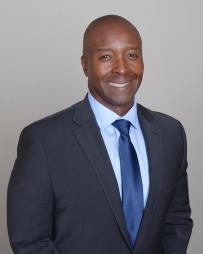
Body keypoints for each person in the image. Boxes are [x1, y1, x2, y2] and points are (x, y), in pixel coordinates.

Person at [7, 15, 193, 254]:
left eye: (132, 55)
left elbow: (177, 220)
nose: (122, 68)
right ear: (85, 64)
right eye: (106, 56)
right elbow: (29, 241)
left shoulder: (170, 133)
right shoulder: (42, 141)